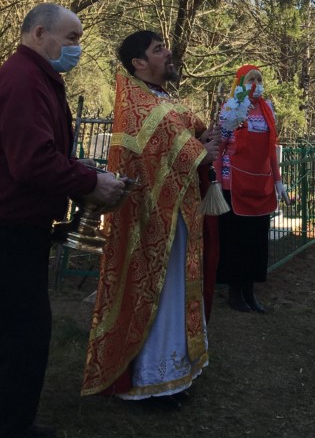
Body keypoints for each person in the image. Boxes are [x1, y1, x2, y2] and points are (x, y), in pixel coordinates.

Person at [0, 3, 126, 438]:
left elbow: (44, 153)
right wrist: (90, 182)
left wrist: (82, 175)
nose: (77, 48)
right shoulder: (23, 81)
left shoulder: (37, 79)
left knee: (13, 329)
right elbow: (32, 161)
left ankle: (3, 420)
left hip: (9, 222)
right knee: (19, 331)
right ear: (39, 33)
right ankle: (6, 435)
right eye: (72, 38)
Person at [82, 31, 217, 402]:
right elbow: (156, 154)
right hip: (149, 219)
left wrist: (207, 139)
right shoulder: (137, 104)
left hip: (180, 213)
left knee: (177, 290)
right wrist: (199, 151)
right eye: (158, 50)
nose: (168, 53)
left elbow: (186, 140)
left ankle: (178, 370)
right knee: (158, 293)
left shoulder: (164, 100)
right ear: (139, 63)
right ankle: (152, 380)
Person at [214, 64, 287, 313]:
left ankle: (249, 290)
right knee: (236, 239)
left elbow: (271, 149)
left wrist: (278, 181)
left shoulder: (267, 110)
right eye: (250, 79)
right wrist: (216, 181)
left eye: (259, 79)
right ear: (240, 83)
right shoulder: (231, 109)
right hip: (234, 183)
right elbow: (220, 146)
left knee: (256, 240)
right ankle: (235, 291)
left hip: (260, 184)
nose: (255, 84)